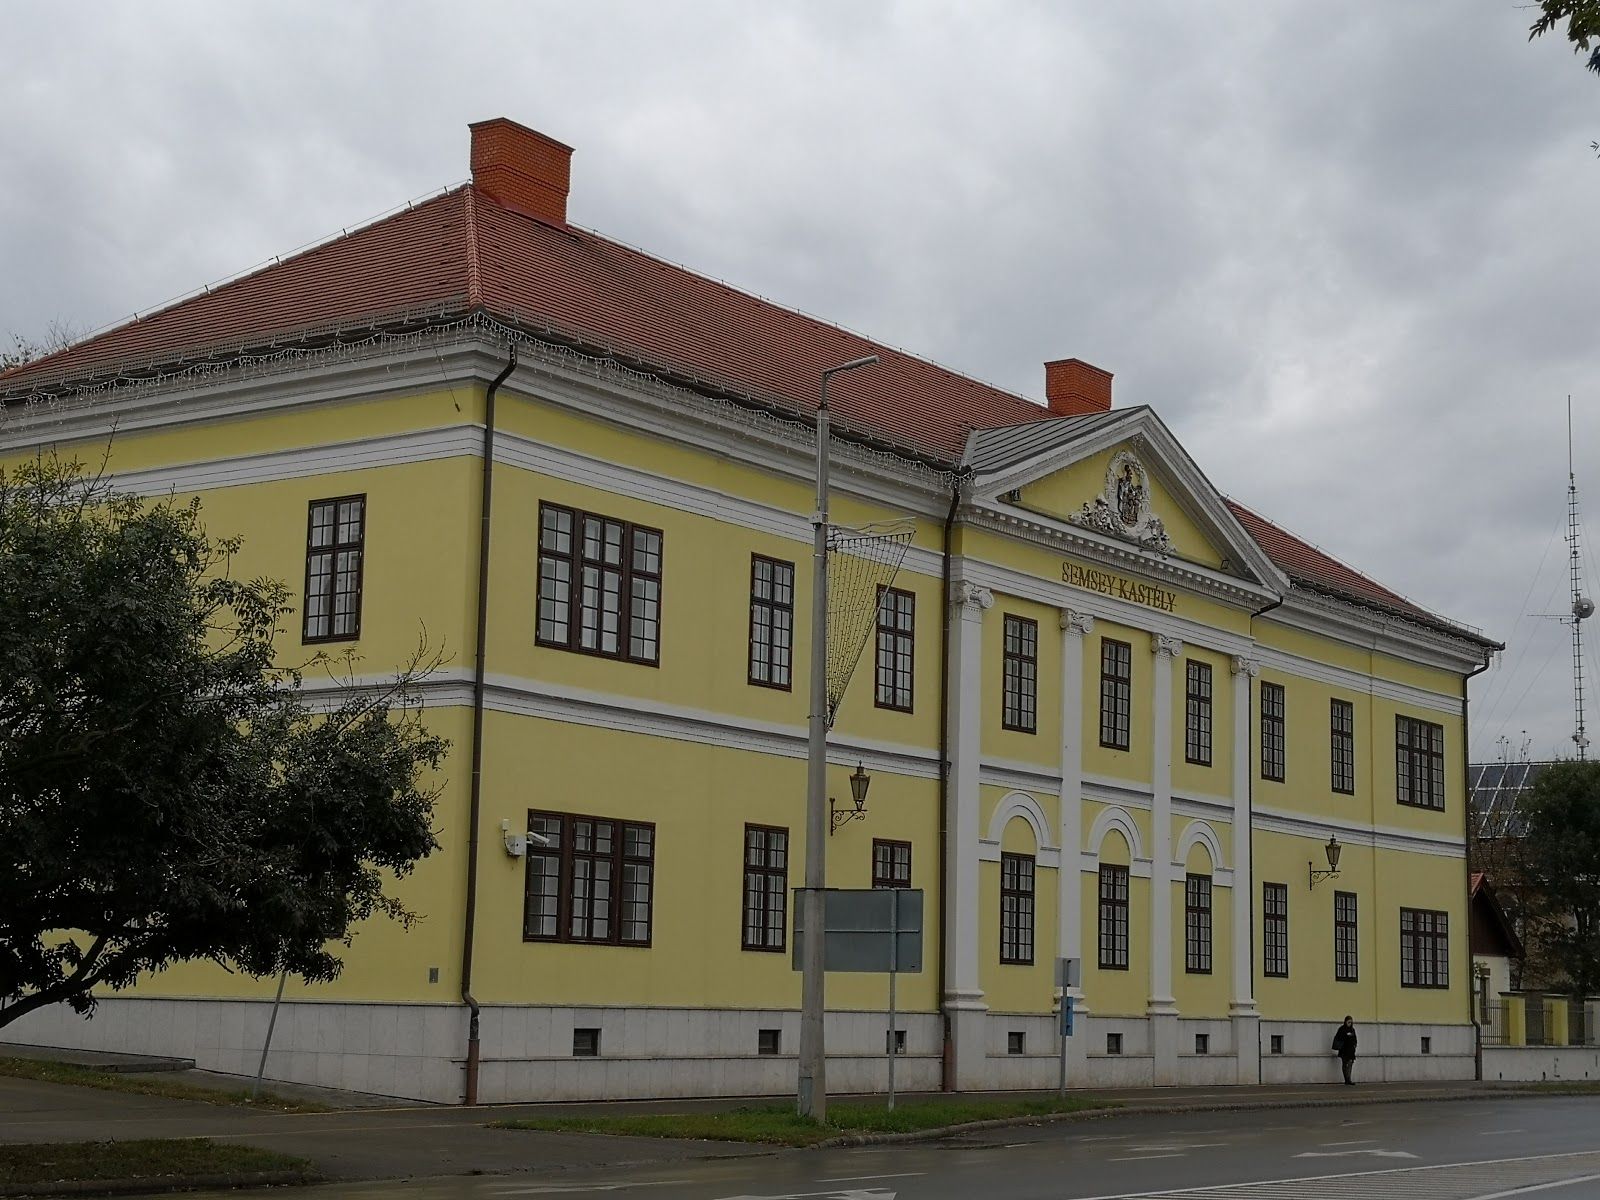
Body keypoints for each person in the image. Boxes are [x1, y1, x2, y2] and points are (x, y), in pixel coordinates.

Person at [1331, 1016, 1358, 1084]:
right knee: (1344, 1064)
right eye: (1348, 1022)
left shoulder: (1352, 1029)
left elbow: (1355, 1038)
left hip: (1351, 1050)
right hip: (1344, 1050)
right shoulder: (1342, 1029)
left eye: (1351, 1022)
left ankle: (1348, 1079)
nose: (1349, 1024)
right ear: (1345, 1022)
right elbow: (1339, 1038)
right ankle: (1346, 1079)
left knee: (1350, 1063)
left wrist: (1355, 1044)